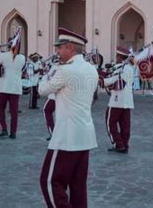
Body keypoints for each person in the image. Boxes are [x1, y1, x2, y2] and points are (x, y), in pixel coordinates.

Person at [39, 27, 98, 208]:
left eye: (60, 47)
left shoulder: (64, 71)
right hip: (85, 135)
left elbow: (42, 90)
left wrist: (50, 71)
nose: (58, 51)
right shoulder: (91, 69)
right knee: (78, 186)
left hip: (66, 136)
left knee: (49, 182)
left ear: (70, 48)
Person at [100, 46, 134, 153]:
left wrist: (103, 81)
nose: (116, 58)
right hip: (126, 101)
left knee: (110, 122)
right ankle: (124, 145)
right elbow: (112, 76)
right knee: (125, 125)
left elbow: (117, 83)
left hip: (117, 100)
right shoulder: (125, 68)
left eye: (117, 56)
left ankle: (118, 144)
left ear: (120, 57)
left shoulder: (124, 68)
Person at [0, 35, 26, 139]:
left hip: (3, 87)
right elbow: (22, 70)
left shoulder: (3, 55)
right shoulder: (22, 58)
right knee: (14, 112)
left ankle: (4, 129)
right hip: (15, 88)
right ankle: (13, 133)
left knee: (0, 108)